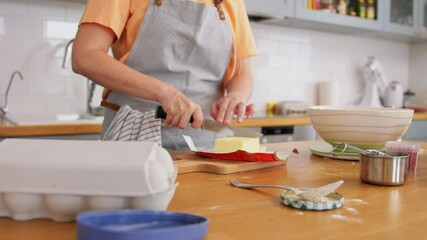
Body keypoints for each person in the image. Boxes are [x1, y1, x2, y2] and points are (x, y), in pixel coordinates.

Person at [72, 0, 258, 149]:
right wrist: (166, 93)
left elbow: (242, 73)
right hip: (134, 138)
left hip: (205, 144)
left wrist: (236, 96)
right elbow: (85, 56)